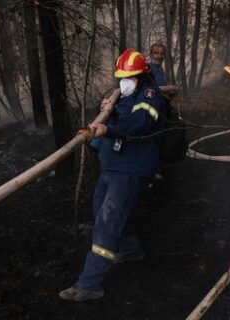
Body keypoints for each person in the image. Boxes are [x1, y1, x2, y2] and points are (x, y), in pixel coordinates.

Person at [59, 49, 168, 302]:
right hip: (114, 165)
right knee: (102, 210)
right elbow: (111, 111)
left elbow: (139, 125)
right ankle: (130, 249)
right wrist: (104, 106)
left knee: (108, 221)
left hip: (132, 167)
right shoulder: (124, 93)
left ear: (141, 76)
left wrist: (107, 129)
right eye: (120, 77)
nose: (123, 82)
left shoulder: (150, 96)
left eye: (128, 78)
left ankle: (89, 284)